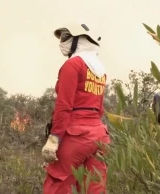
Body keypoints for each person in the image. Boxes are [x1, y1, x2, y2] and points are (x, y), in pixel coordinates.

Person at [41, 23, 110, 194]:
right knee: (94, 187)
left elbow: (64, 106)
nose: (62, 42)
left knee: (58, 184)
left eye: (67, 37)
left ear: (79, 40)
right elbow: (99, 108)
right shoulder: (100, 70)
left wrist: (54, 139)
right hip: (99, 136)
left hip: (75, 134)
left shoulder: (72, 65)